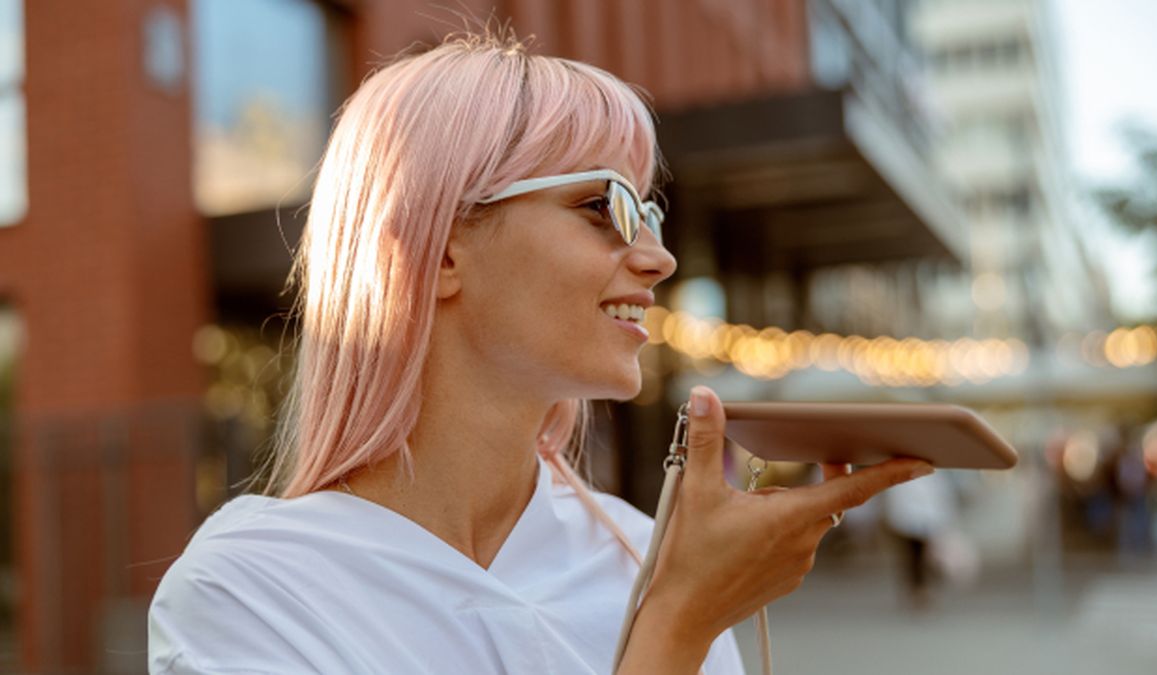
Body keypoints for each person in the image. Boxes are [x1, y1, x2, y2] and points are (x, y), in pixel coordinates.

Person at [148, 30, 933, 674]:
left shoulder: (640, 553)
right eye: (604, 205)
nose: (657, 257)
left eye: (651, 214)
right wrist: (677, 629)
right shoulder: (251, 591)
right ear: (439, 248)